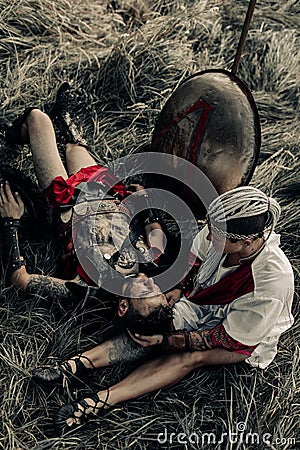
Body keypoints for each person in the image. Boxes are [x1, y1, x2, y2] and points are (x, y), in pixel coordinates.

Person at [31, 186, 294, 434]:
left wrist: (171, 341)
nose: (209, 234)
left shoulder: (270, 283)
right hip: (204, 303)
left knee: (189, 357)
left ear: (247, 242)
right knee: (156, 324)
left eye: (218, 234)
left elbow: (228, 337)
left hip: (243, 338)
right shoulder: (221, 232)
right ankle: (78, 364)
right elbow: (197, 258)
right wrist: (180, 287)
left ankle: (102, 400)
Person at [0, 83, 169, 303]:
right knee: (74, 148)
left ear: (124, 307)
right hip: (105, 191)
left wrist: (10, 221)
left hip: (65, 199)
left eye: (147, 291)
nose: (150, 282)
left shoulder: (90, 289)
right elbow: (155, 234)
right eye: (157, 289)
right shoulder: (152, 264)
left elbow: (20, 278)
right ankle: (63, 121)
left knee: (38, 120)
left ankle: (10, 134)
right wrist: (146, 207)